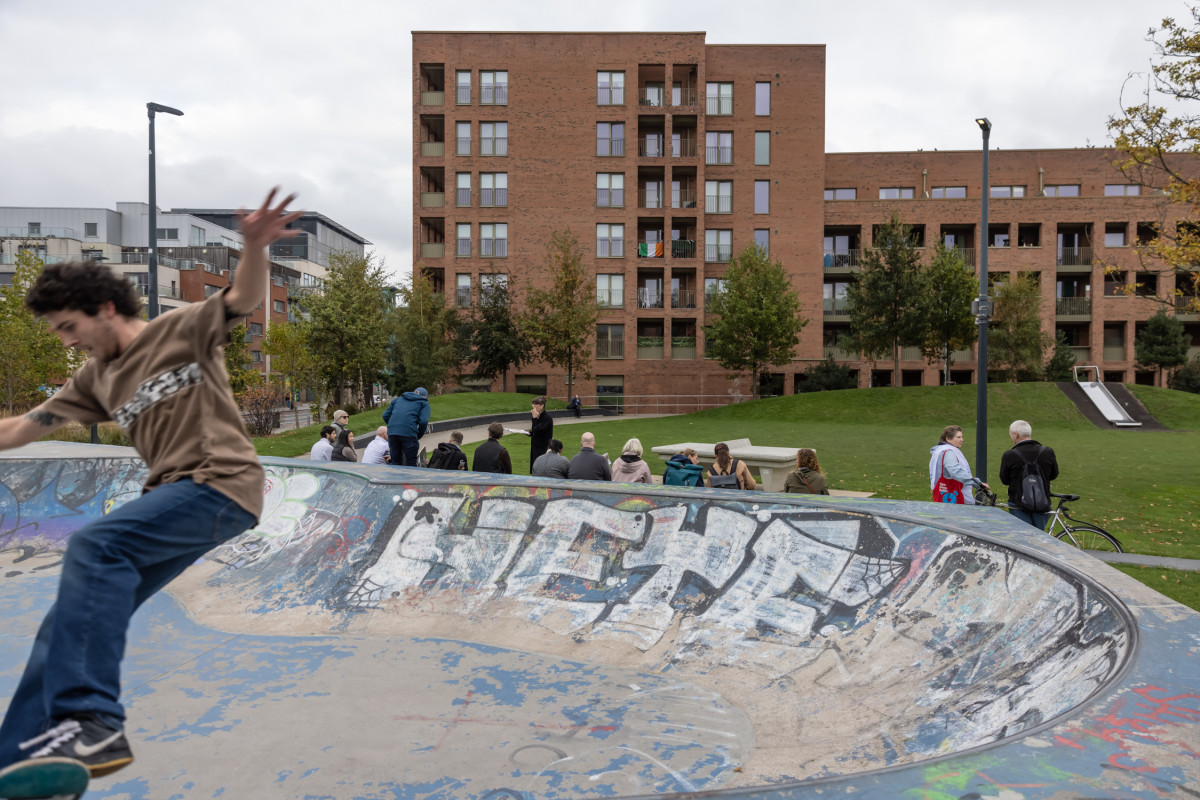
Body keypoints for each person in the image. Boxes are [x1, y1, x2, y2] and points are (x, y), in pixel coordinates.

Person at [0, 189, 301, 778]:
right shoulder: (95, 379)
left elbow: (242, 295)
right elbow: (19, 429)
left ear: (105, 308)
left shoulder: (182, 329)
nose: (68, 341)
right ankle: (16, 763)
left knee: (94, 544)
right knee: (65, 623)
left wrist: (254, 246)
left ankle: (92, 723)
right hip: (172, 499)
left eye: (70, 326)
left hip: (221, 485)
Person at [999, 419, 1059, 529]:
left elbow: (1005, 480)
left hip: (1018, 503)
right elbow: (1054, 474)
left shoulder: (1010, 455)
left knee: (1024, 539)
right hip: (1042, 501)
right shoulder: (1047, 452)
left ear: (1016, 434)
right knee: (1039, 536)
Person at [929, 424, 988, 504]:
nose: (962, 440)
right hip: (957, 499)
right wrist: (977, 483)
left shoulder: (938, 451)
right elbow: (955, 472)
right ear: (948, 439)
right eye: (958, 437)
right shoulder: (948, 452)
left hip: (942, 496)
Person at [382, 387, 430, 467]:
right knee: (411, 463)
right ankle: (409, 479)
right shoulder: (423, 403)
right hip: (409, 433)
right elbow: (423, 421)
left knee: (395, 462)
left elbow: (385, 415)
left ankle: (394, 478)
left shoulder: (397, 400)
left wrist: (392, 426)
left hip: (392, 434)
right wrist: (418, 435)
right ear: (425, 396)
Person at [526, 396, 553, 472]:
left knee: (540, 469)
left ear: (542, 405)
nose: (533, 406)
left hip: (542, 448)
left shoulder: (547, 418)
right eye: (533, 404)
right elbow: (537, 431)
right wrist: (530, 433)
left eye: (535, 404)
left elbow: (539, 429)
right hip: (535, 447)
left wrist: (534, 418)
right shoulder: (539, 416)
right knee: (535, 468)